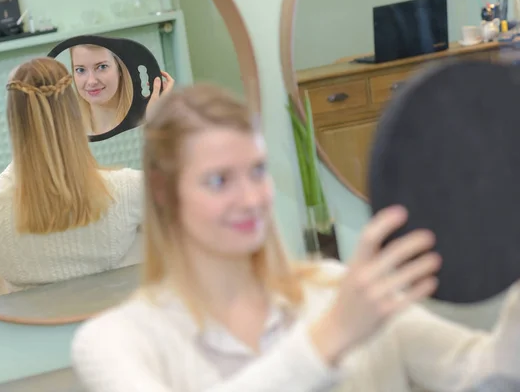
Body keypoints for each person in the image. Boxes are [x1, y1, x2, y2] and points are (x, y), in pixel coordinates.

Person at [70, 84, 520, 391]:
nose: (250, 198)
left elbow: (482, 371)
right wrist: (333, 334)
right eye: (219, 181)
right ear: (165, 191)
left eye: (257, 171)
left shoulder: (333, 289)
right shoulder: (115, 342)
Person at [0, 57, 145, 298]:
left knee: (1, 254)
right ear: (74, 113)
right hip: (110, 319)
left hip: (36, 329)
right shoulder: (130, 188)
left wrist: (30, 150)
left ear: (13, 121)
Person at [70, 44, 174, 135]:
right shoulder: (70, 130)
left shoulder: (145, 120)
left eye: (102, 67)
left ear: (119, 69)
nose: (91, 81)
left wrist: (158, 118)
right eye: (80, 70)